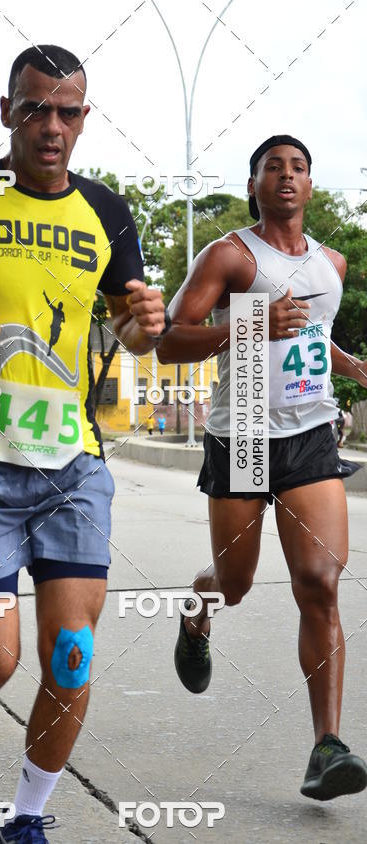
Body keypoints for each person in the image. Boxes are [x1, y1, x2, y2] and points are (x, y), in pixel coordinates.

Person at [0, 45, 167, 843]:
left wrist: (144, 328)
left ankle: (26, 818)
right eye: (34, 107)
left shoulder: (110, 212)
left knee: (72, 657)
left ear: (86, 117)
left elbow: (126, 325)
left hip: (72, 468)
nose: (51, 126)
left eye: (68, 110)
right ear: (6, 109)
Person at [157, 135, 367, 800]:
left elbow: (311, 332)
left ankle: (326, 747)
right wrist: (248, 327)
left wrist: (353, 366)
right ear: (254, 184)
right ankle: (198, 613)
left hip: (309, 434)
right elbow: (168, 341)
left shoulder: (331, 263)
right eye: (273, 167)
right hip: (241, 431)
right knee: (235, 583)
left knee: (319, 583)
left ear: (310, 186)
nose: (286, 176)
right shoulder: (229, 254)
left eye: (299, 167)